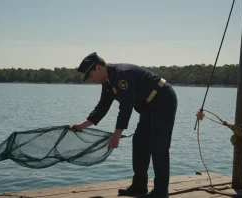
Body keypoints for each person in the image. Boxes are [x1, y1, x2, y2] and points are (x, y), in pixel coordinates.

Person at [70, 52, 177, 198]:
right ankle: (139, 187)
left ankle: (160, 192)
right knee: (139, 142)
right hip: (149, 105)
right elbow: (102, 107)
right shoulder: (107, 82)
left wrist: (117, 135)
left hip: (163, 98)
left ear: (97, 68)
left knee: (158, 146)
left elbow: (126, 107)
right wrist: (82, 125)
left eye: (90, 75)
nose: (90, 79)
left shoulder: (122, 75)